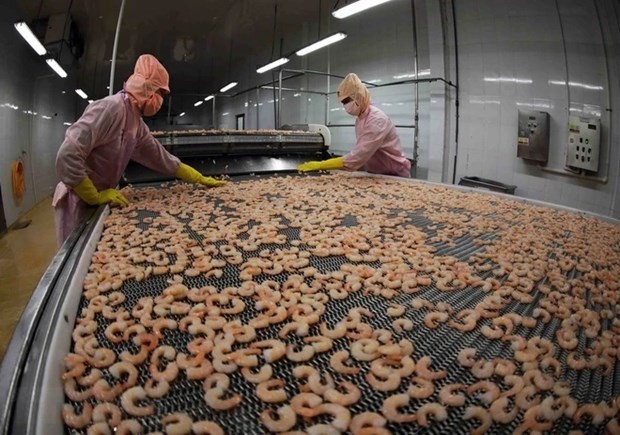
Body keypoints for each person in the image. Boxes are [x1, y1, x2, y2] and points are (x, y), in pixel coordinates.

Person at [53, 54, 225, 245]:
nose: (161, 101)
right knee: (76, 252)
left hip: (103, 197)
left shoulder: (136, 123)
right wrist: (93, 196)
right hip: (78, 199)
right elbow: (67, 155)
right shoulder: (110, 109)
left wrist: (198, 178)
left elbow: (161, 158)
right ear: (148, 89)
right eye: (161, 94)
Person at [298, 73, 411, 178]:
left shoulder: (376, 120)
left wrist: (321, 165)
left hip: (394, 174)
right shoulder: (360, 119)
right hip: (377, 174)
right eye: (343, 102)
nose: (345, 105)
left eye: (347, 101)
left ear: (358, 96)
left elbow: (358, 156)